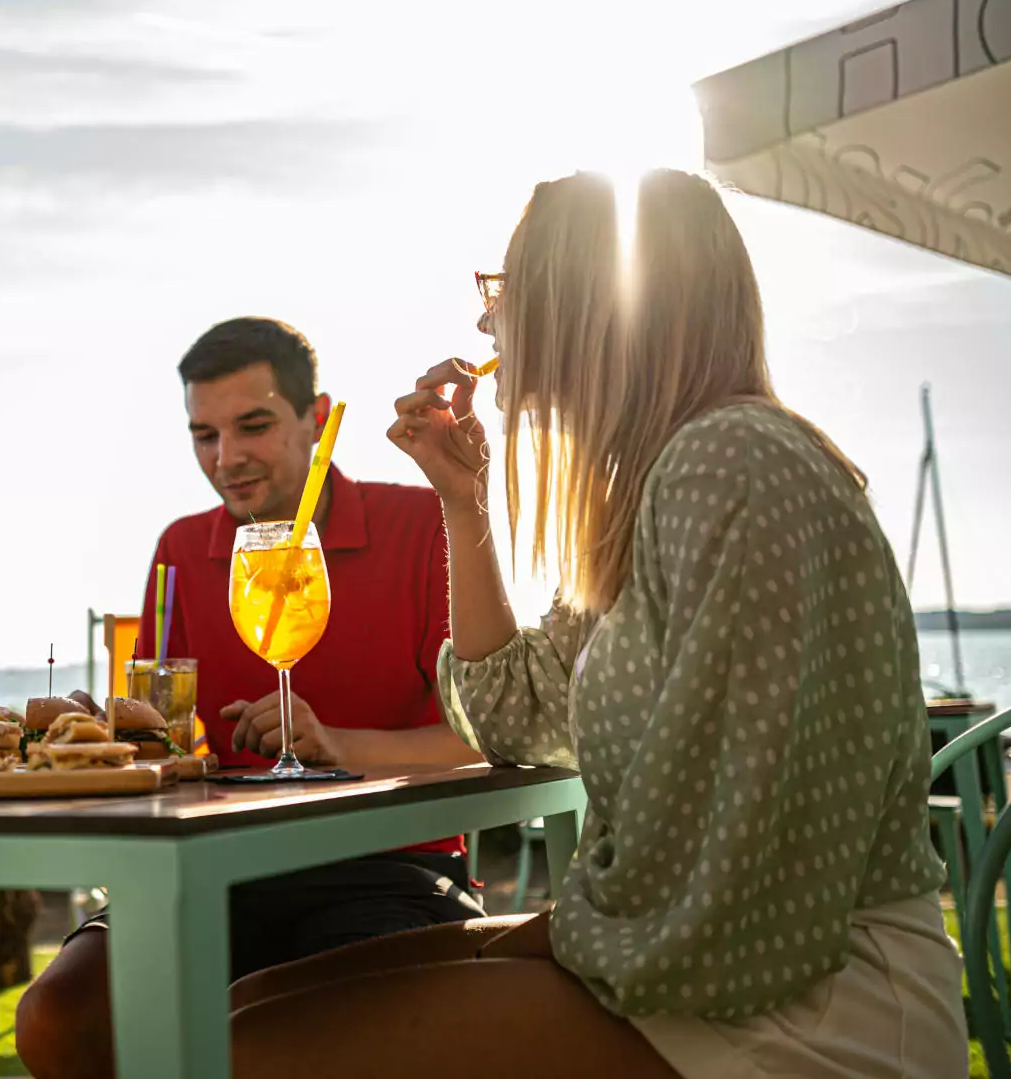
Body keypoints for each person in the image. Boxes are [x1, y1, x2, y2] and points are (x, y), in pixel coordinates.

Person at [228, 170, 967, 1078]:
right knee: (249, 1007)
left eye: (506, 289)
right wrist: (463, 503)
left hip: (801, 1006)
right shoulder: (656, 489)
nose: (485, 324)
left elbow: (730, 876)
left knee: (248, 1049)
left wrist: (533, 941)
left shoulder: (731, 465)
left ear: (593, 301)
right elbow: (515, 716)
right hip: (697, 959)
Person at [16, 316, 486, 1079]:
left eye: (254, 426)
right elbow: (162, 744)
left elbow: (480, 739)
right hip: (210, 871)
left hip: (387, 870)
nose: (226, 459)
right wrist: (108, 737)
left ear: (317, 417)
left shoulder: (419, 523)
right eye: (204, 435)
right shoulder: (182, 548)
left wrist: (337, 744)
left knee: (273, 1035)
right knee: (58, 1018)